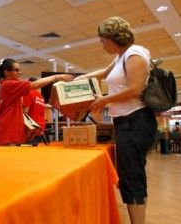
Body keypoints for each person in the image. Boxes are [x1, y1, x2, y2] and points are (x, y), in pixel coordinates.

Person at [74, 16, 156, 224]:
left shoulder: (134, 54)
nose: (102, 45)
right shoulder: (121, 56)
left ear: (112, 38)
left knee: (132, 176)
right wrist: (80, 78)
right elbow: (102, 73)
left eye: (103, 40)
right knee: (128, 174)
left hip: (135, 120)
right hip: (125, 122)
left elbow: (135, 89)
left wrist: (104, 100)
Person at [0, 59, 73, 146]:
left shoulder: (9, 86)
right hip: (7, 133)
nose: (20, 73)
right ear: (6, 72)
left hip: (13, 132)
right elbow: (34, 85)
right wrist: (55, 77)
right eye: (16, 70)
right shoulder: (8, 85)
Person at [22, 77, 47, 146]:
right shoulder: (41, 97)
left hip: (31, 130)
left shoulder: (28, 92)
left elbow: (25, 112)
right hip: (41, 128)